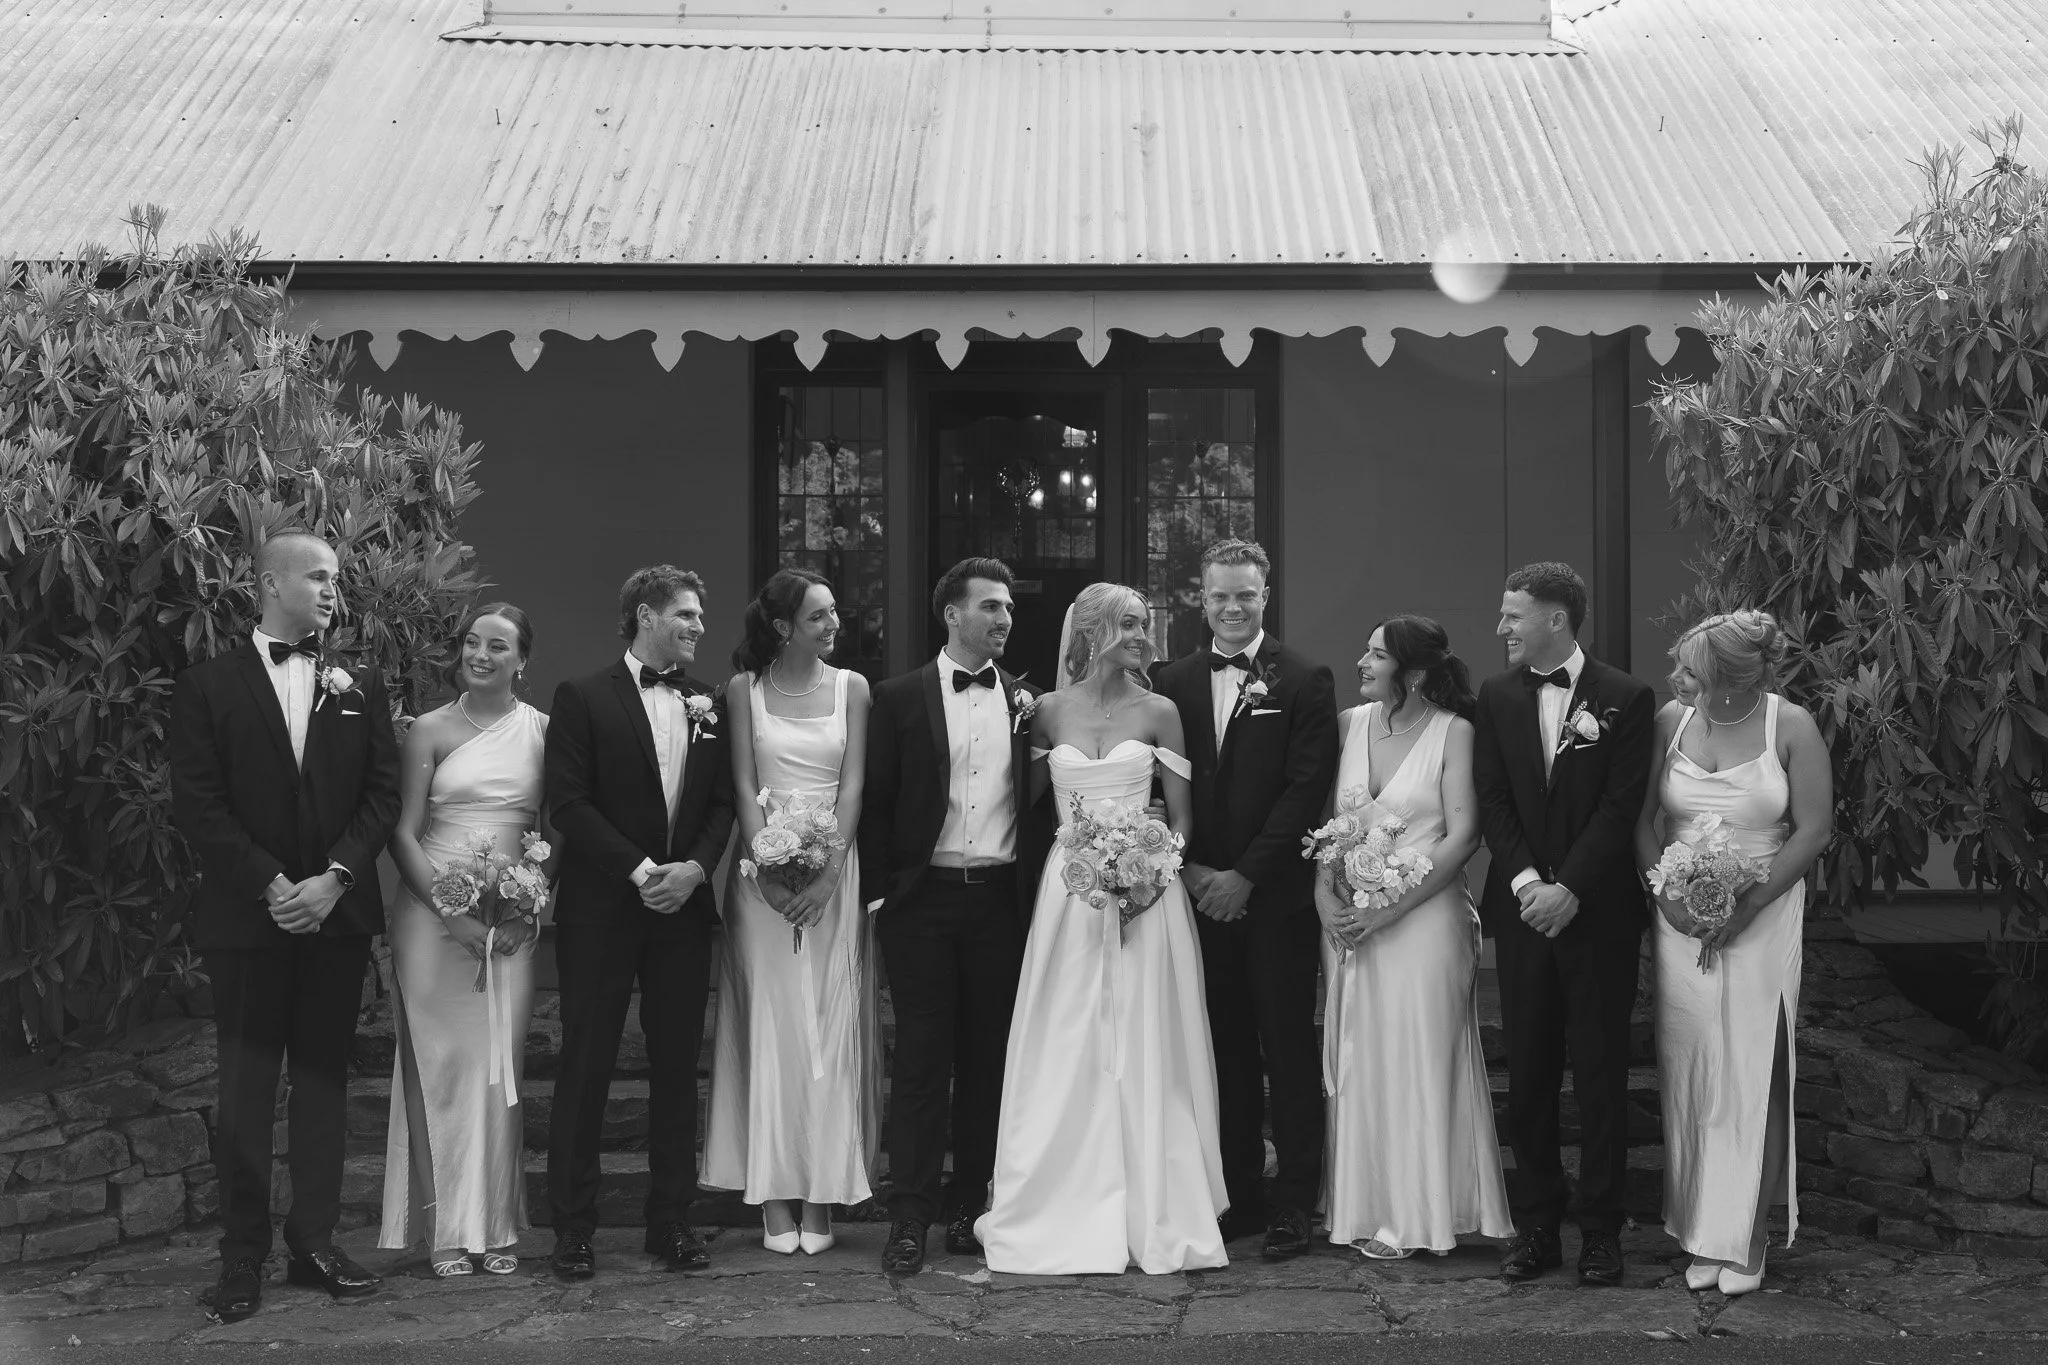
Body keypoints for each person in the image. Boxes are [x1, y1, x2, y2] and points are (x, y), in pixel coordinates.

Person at [168, 530, 400, 1323]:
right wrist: (273, 885)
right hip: (249, 920)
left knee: (324, 1087)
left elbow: (382, 796)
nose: (334, 589)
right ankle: (241, 1258)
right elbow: (199, 804)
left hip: (334, 920)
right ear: (270, 582)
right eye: (320, 575)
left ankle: (316, 1242)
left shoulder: (359, 682)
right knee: (245, 1092)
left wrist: (333, 880)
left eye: (336, 577)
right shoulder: (206, 685)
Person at [976, 583, 1228, 1274]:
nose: (1144, 634)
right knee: (1069, 1033)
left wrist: (1149, 874)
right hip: (1070, 893)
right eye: (1129, 623)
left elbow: (1181, 817)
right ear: (1090, 631)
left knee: (1146, 1038)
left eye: (1145, 622)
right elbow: (1019, 804)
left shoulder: (1162, 711)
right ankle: (1062, 1193)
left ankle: (1154, 1199)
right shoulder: (1046, 712)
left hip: (1150, 891)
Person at [543, 566, 736, 1279]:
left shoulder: (709, 703)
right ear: (645, 615)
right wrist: (640, 870)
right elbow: (568, 802)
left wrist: (693, 869)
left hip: (683, 911)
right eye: (685, 614)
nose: (697, 627)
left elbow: (722, 804)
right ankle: (573, 1228)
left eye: (699, 617)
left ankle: (672, 1222)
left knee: (678, 1069)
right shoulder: (583, 697)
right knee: (585, 1064)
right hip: (602, 909)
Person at [1635, 610, 1830, 1296]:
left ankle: (1746, 1234)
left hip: (1764, 913)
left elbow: (1813, 829)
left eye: (1690, 667)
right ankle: (1700, 1227)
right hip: (1681, 920)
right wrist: (1668, 900)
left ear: (1728, 674)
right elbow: (1643, 821)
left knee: (1754, 1071)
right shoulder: (1670, 722)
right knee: (1693, 1065)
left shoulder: (1792, 725)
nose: (1677, 677)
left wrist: (1746, 905)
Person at [1471, 562, 1655, 1287]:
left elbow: (1622, 803)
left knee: (1603, 1071)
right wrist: (1527, 885)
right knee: (1532, 1069)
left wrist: (1570, 886)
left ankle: (1603, 1232)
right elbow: (1493, 799)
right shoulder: (1495, 696)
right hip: (1523, 916)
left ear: (1556, 617)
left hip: (1599, 912)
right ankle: (1539, 1224)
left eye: (1514, 614)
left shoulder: (1626, 696)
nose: (1502, 627)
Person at [1153, 538, 1338, 1259]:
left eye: (1246, 596)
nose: (1232, 608)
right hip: (1198, 899)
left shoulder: (1303, 678)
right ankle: (1236, 1192)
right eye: (1220, 595)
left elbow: (1304, 790)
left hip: (1275, 902)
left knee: (1287, 1051)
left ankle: (1295, 1201)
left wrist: (1245, 876)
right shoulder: (1170, 678)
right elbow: (1162, 785)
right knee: (1221, 1049)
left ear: (1266, 597)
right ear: (1202, 597)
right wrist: (1195, 869)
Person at [858, 558, 1043, 1275]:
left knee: (988, 1058)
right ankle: (909, 1216)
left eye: (1007, 609)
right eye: (990, 606)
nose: (1003, 619)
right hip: (920, 903)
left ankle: (970, 1207)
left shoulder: (1029, 703)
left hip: (999, 902)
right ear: (951, 613)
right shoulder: (898, 696)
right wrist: (881, 893)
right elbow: (875, 801)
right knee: (922, 1063)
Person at [1316, 616, 1511, 1259]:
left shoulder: (1456, 734)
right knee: (1361, 1058)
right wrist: (1324, 893)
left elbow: (1462, 838)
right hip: (1350, 922)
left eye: (1376, 654)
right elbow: (1330, 827)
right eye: (1366, 650)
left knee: (1421, 1058)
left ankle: (1422, 1216)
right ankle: (1367, 1208)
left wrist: (1393, 908)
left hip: (1426, 920)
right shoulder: (1349, 725)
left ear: (1415, 672)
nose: (1362, 662)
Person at [703, 569, 879, 1255]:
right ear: (781, 627)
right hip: (761, 874)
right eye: (817, 616)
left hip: (837, 867)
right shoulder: (743, 691)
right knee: (771, 1027)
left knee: (828, 1026)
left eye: (834, 612)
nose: (832, 624)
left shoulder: (853, 688)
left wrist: (831, 869)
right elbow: (745, 784)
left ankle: (822, 1190)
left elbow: (854, 781)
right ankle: (774, 1194)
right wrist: (766, 867)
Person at [379, 603, 552, 1276]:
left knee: (498, 1068)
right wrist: (446, 909)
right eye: (473, 642)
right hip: (432, 913)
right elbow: (402, 829)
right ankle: (445, 1227)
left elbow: (551, 828)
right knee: (441, 1067)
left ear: (521, 661)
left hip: (511, 915)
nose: (480, 653)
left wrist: (524, 905)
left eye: (497, 645)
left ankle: (498, 1225)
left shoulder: (543, 732)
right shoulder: (429, 729)